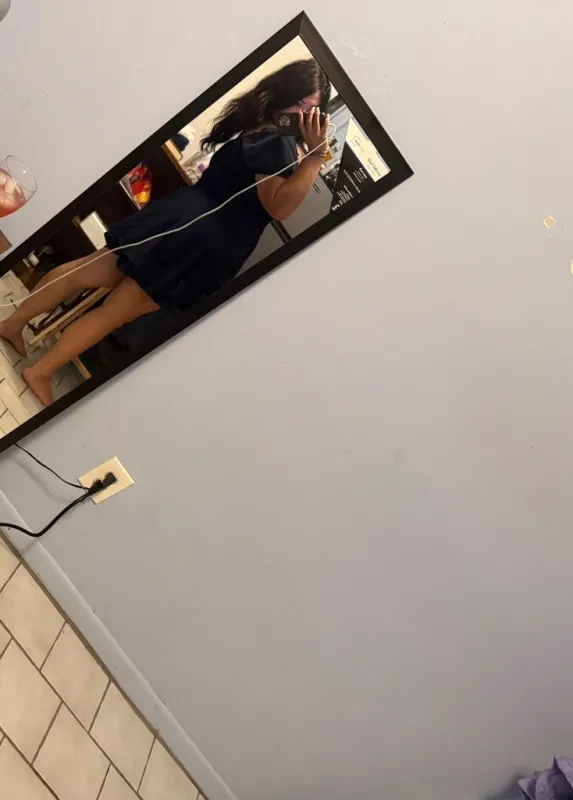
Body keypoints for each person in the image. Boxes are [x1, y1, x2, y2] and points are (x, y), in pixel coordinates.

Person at [0, 59, 331, 406]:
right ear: (285, 92)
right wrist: (315, 157)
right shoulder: (278, 145)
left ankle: (13, 324)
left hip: (181, 216)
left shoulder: (258, 124)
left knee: (84, 272)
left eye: (309, 109)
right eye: (300, 104)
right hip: (202, 242)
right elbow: (278, 207)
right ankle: (40, 372)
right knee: (113, 312)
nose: (301, 115)